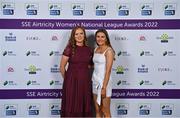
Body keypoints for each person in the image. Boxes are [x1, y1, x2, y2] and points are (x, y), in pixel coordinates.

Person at [60, 26, 93, 117]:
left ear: (84, 35)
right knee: (72, 106)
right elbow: (62, 67)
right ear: (73, 36)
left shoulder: (89, 50)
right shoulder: (69, 49)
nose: (79, 36)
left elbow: (89, 64)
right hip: (71, 82)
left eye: (81, 33)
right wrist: (68, 80)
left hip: (85, 82)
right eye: (76, 34)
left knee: (84, 104)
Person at [92, 29, 115, 117]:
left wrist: (104, 87)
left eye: (102, 37)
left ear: (106, 38)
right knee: (97, 110)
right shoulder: (96, 49)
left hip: (104, 83)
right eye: (98, 37)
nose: (100, 39)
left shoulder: (109, 51)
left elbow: (108, 71)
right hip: (95, 82)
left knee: (105, 111)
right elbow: (96, 65)